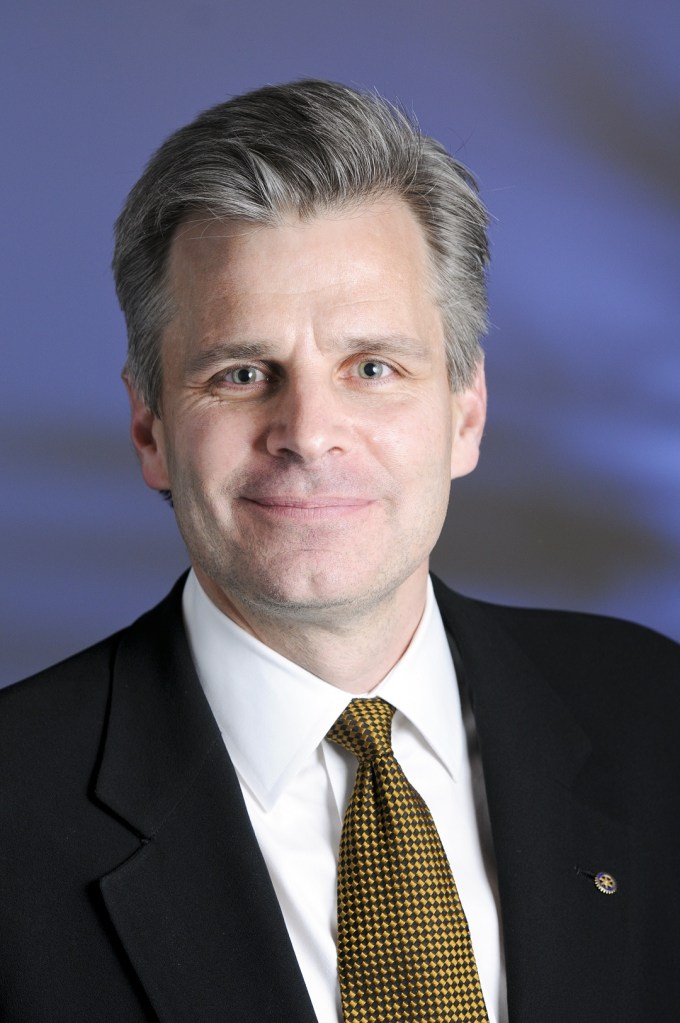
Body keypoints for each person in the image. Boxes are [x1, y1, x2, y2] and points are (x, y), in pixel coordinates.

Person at [1, 79, 679, 1023]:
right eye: (243, 373)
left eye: (372, 367)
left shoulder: (655, 713)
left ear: (466, 413)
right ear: (150, 426)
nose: (309, 433)